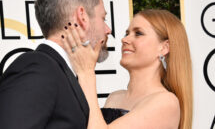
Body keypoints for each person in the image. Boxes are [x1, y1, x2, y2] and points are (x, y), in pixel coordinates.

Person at [0, 0, 111, 129]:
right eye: (103, 18)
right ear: (82, 17)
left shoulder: (60, 72)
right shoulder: (39, 68)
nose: (108, 30)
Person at [62, 9, 193, 129]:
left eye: (138, 33)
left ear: (164, 48)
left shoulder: (166, 102)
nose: (124, 39)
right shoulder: (114, 97)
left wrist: (86, 73)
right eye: (127, 33)